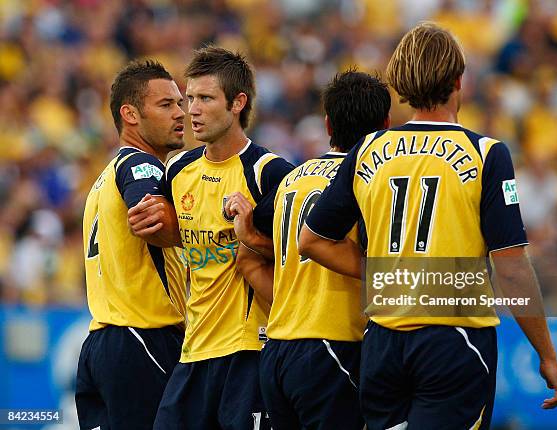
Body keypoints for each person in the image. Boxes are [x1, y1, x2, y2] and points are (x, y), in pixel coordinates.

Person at [299, 23, 557, 430]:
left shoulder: (369, 148)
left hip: (382, 344)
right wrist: (547, 355)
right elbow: (511, 268)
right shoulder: (485, 153)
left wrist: (381, 275)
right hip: (453, 340)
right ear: (459, 80)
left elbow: (312, 240)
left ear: (403, 83)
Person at [128, 46, 294, 429]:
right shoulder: (179, 168)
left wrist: (250, 235)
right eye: (189, 99)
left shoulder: (269, 172)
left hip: (249, 349)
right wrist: (153, 228)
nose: (192, 110)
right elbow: (178, 238)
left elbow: (295, 260)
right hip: (194, 348)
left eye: (205, 98)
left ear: (238, 103)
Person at [225, 70, 391, 429]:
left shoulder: (291, 179)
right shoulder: (369, 182)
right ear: (386, 127)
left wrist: (290, 303)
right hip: (335, 346)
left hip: (278, 350)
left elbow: (247, 257)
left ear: (328, 125)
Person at [76, 59, 187, 430]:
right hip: (144, 338)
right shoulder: (142, 165)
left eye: (181, 103)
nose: (181, 113)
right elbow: (149, 214)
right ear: (131, 115)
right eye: (166, 104)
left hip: (101, 342)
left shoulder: (103, 178)